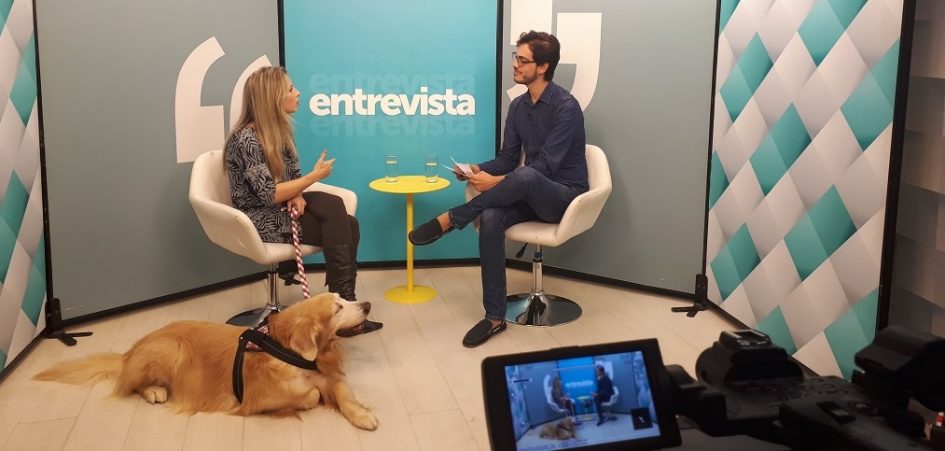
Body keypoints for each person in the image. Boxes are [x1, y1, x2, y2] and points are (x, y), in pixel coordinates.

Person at [408, 31, 587, 347]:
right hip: (528, 191)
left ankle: (454, 218)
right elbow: (507, 158)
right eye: (515, 57)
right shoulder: (518, 106)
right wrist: (477, 170)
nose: (515, 64)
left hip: (564, 197)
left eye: (522, 59)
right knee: (490, 217)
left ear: (543, 67)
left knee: (529, 175)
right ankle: (493, 318)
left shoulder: (566, 107)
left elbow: (544, 167)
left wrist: (497, 182)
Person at [223, 66, 382, 337]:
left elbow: (292, 176)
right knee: (346, 223)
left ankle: (341, 308)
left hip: (281, 205)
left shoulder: (280, 131)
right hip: (257, 216)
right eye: (290, 89)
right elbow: (268, 194)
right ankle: (343, 311)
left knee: (345, 219)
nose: (298, 93)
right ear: (272, 98)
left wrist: (297, 192)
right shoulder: (246, 139)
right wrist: (313, 177)